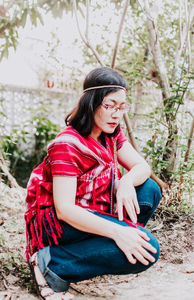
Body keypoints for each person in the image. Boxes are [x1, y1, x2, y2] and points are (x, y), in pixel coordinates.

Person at [25, 67, 161, 300]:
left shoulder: (111, 135)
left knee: (149, 190)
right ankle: (51, 263)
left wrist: (126, 181)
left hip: (91, 211)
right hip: (58, 224)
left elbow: (142, 167)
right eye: (109, 105)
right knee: (149, 248)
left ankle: (98, 251)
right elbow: (65, 209)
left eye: (121, 107)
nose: (117, 114)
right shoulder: (67, 144)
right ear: (91, 102)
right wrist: (119, 232)